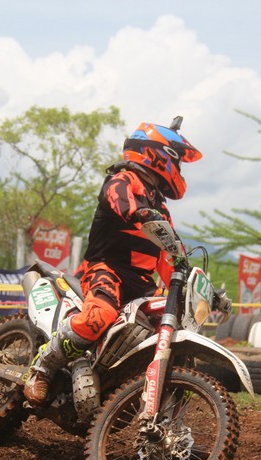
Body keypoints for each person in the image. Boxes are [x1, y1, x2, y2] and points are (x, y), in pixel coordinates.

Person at [24, 117, 215, 406]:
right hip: (106, 270)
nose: (179, 170)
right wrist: (140, 212)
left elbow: (171, 255)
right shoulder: (124, 179)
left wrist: (199, 288)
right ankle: (43, 367)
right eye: (177, 161)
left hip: (140, 284)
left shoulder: (160, 207)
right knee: (98, 317)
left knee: (174, 319)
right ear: (158, 154)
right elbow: (118, 199)